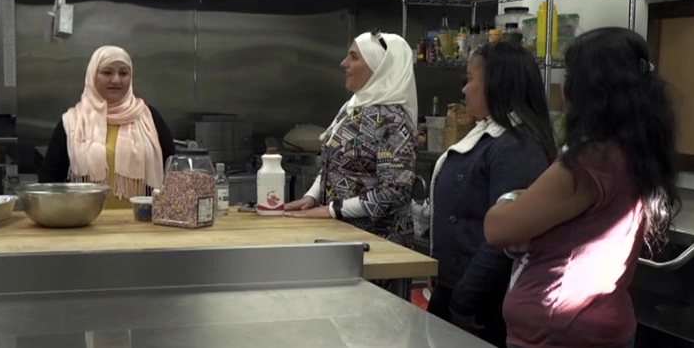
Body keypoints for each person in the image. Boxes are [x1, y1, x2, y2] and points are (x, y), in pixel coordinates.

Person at [485, 28, 679, 348]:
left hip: (556, 333)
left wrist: (509, 199)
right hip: (604, 325)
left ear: (587, 89)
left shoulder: (591, 161)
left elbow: (496, 228)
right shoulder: (636, 151)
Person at [426, 41, 557, 348]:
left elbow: (504, 239)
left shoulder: (516, 147)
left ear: (496, 84)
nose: (464, 90)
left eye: (469, 80)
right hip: (454, 288)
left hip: (481, 304)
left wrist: (463, 300)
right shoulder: (489, 133)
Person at [286, 30, 418, 248]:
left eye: (354, 57)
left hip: (379, 244)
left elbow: (393, 192)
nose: (343, 63)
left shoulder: (393, 121)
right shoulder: (352, 108)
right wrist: (312, 196)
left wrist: (332, 210)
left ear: (378, 66)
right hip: (341, 236)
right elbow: (336, 163)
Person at [38, 46, 175, 209]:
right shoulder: (73, 121)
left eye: (123, 73)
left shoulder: (149, 117)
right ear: (92, 75)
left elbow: (173, 170)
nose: (116, 80)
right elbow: (49, 178)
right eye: (107, 72)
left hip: (141, 224)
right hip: (86, 225)